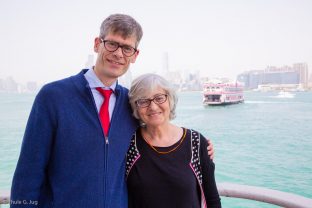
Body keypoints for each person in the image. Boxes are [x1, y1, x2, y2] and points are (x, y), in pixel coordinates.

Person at [10, 14, 214, 208]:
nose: (118, 53)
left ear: (135, 55)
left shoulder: (132, 103)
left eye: (127, 48)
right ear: (97, 44)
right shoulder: (53, 96)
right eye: (112, 44)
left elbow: (157, 137)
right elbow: (28, 174)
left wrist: (200, 146)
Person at [126, 73, 221, 208]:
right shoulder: (129, 144)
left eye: (159, 98)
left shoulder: (196, 142)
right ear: (136, 107)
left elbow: (212, 199)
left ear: (170, 100)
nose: (153, 107)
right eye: (143, 101)